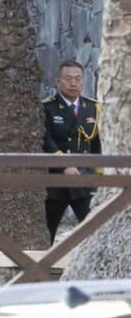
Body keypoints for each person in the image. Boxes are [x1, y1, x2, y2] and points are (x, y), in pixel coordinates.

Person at [42, 60, 102, 243]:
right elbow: (45, 140)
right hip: (56, 179)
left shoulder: (92, 107)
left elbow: (96, 143)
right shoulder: (47, 107)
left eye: (78, 79)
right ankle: (40, 270)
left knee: (94, 230)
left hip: (83, 178)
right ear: (57, 81)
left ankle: (92, 270)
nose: (73, 83)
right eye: (68, 79)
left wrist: (100, 174)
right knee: (47, 231)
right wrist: (64, 165)